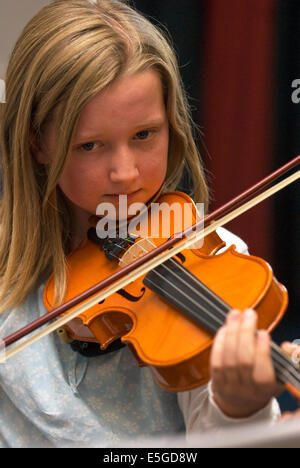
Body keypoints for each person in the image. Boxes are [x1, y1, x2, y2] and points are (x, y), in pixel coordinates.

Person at [0, 0, 298, 448]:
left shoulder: (212, 258)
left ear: (172, 126)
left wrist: (239, 407)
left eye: (144, 135)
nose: (125, 173)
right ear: (38, 144)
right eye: (90, 146)